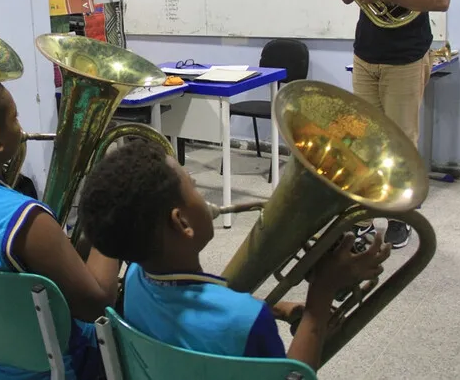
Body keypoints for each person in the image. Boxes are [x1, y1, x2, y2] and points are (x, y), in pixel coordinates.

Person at [77, 139, 391, 372]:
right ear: (182, 222)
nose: (198, 186)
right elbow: (292, 376)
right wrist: (318, 305)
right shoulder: (245, 321)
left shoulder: (134, 280)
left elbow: (209, 298)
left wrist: (279, 308)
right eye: (193, 187)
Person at [0, 75, 118, 380]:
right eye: (14, 118)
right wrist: (113, 221)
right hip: (59, 370)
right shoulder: (28, 218)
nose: (20, 126)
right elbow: (98, 305)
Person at [336, 0, 455, 248]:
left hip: (406, 55)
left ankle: (402, 215)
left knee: (401, 141)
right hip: (366, 53)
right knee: (366, 142)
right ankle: (368, 215)